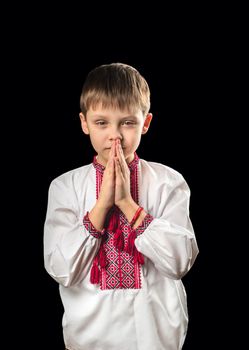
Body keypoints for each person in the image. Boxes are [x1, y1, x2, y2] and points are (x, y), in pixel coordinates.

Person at [44, 62, 199, 350]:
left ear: (146, 123)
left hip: (157, 337)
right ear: (84, 123)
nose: (115, 135)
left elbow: (179, 262)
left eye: (127, 122)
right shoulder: (65, 187)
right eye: (102, 123)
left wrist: (128, 204)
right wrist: (102, 205)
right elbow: (61, 269)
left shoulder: (168, 182)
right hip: (87, 339)